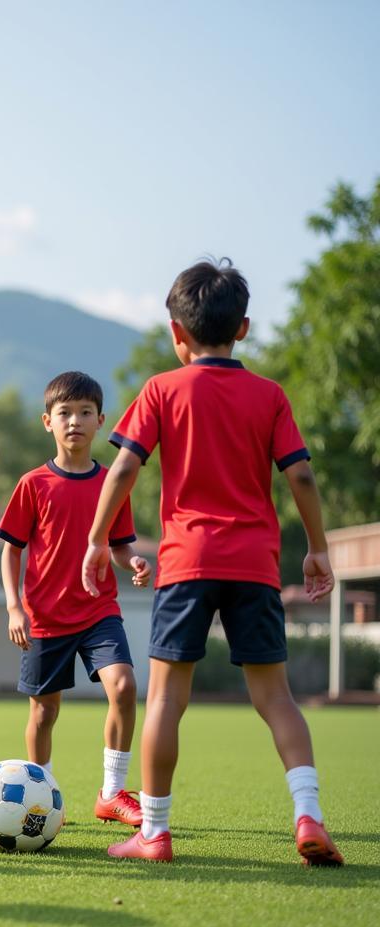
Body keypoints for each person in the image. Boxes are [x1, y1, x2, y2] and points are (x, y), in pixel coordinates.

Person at [83, 259, 343, 866]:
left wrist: (98, 539)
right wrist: (318, 547)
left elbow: (124, 466)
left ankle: (154, 832)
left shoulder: (161, 390)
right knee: (276, 698)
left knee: (169, 700)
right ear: (244, 328)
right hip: (255, 563)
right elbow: (300, 473)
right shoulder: (269, 395)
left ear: (177, 333)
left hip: (187, 563)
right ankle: (309, 815)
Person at [0, 371, 150, 827]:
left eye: (85, 413)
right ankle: (41, 797)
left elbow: (118, 546)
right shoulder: (33, 484)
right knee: (44, 712)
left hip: (99, 610)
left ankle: (111, 792)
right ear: (48, 421)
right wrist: (13, 607)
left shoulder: (114, 482)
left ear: (100, 420)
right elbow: (11, 550)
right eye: (65, 413)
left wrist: (133, 562)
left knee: (123, 687)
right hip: (44, 619)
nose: (75, 421)